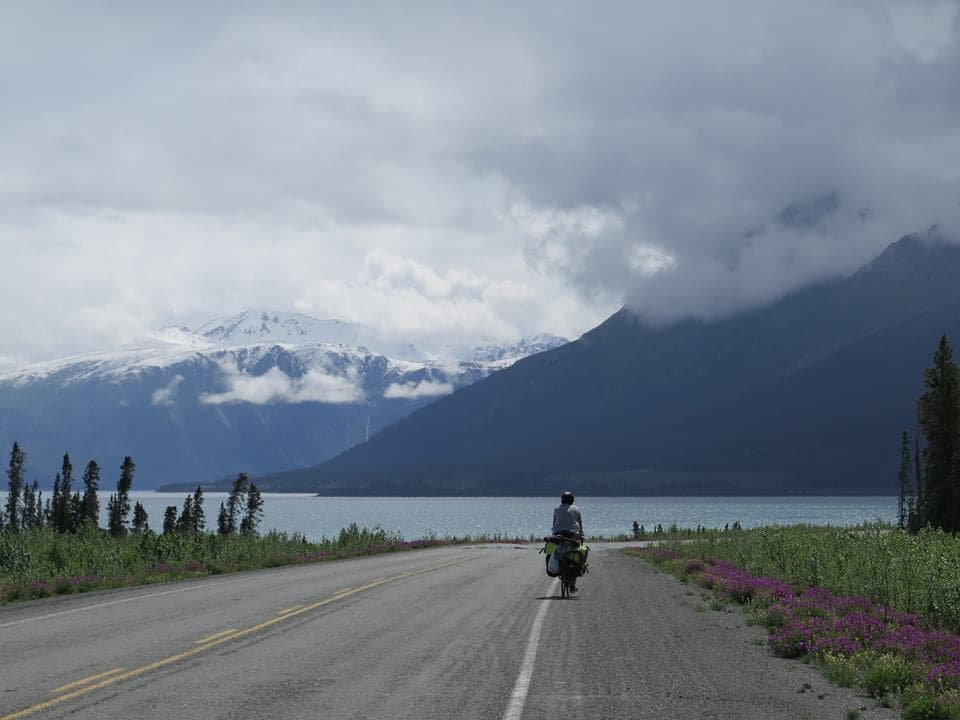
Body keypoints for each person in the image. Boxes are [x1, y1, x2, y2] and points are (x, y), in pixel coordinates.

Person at [551, 490, 583, 591]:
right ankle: (572, 586)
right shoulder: (576, 509)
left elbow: (554, 523)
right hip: (571, 536)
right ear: (572, 500)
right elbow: (580, 524)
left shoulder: (556, 509)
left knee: (556, 551)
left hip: (558, 535)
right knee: (576, 557)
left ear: (562, 500)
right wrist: (581, 536)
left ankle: (558, 569)